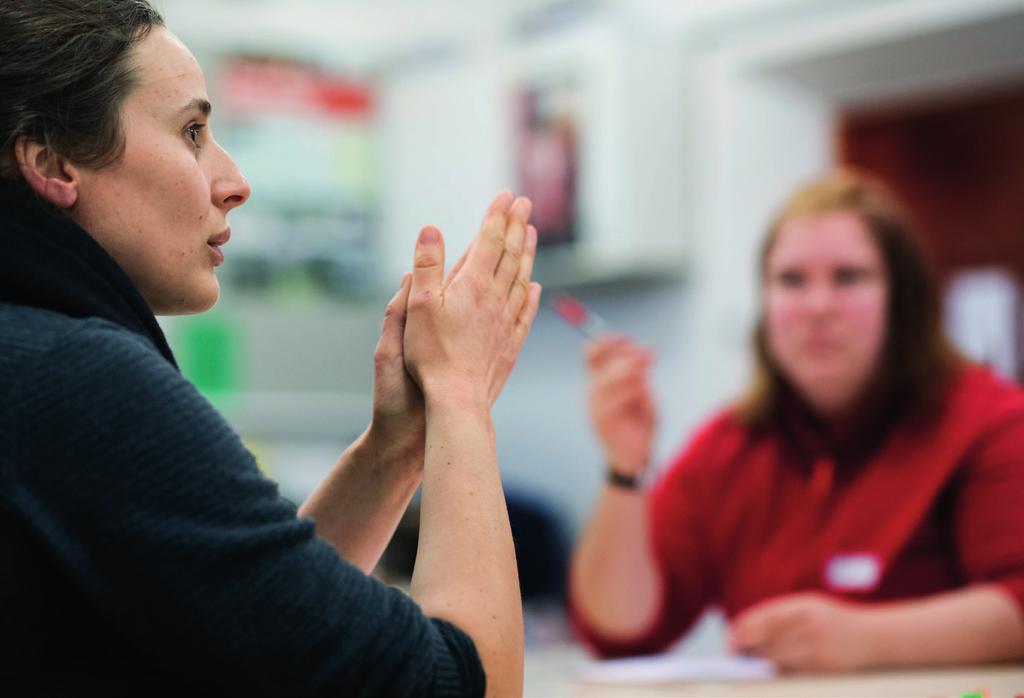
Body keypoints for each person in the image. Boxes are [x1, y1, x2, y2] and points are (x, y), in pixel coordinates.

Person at [0, 2, 541, 696]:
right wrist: (460, 394)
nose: (235, 181)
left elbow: (261, 636)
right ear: (52, 162)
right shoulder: (76, 379)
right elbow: (469, 686)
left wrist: (396, 448)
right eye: (191, 131)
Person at [568, 170, 1024, 672]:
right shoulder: (731, 446)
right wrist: (625, 468)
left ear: (902, 298)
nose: (817, 306)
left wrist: (869, 639)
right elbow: (620, 631)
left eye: (848, 276)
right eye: (791, 280)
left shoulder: (988, 421)